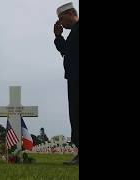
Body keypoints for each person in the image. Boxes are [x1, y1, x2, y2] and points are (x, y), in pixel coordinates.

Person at [53, 2, 79, 165]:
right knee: (76, 115)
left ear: (70, 13)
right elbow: (67, 53)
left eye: (62, 19)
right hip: (74, 78)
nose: (61, 23)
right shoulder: (73, 34)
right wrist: (58, 36)